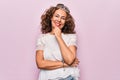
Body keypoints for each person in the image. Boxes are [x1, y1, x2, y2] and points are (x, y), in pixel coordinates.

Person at [36, 3, 80, 80]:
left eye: (63, 18)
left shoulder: (71, 37)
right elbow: (40, 63)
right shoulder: (42, 38)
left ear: (65, 21)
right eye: (57, 16)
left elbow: (69, 60)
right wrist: (64, 64)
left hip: (67, 77)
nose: (59, 20)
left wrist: (58, 36)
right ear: (51, 18)